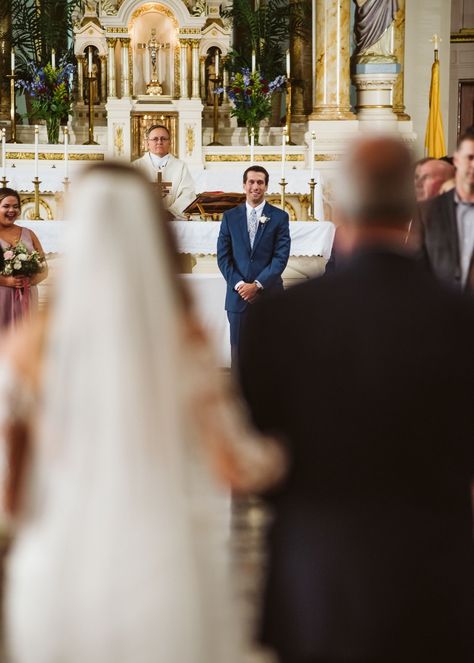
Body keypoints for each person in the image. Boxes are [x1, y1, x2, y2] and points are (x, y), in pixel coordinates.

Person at [2, 163, 285, 663]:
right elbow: (240, 465)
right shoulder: (184, 343)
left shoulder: (33, 347)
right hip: (163, 563)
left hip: (58, 566)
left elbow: (10, 488)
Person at [239, 136, 474, 663]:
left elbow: (262, 447)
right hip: (435, 566)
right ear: (413, 208)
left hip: (317, 570)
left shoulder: (281, 320)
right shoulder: (459, 319)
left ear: (339, 209)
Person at [217, 165, 290, 364]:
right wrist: (241, 286)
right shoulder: (230, 217)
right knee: (239, 355)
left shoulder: (280, 217)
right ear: (244, 185)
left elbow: (280, 258)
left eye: (260, 182)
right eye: (251, 182)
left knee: (270, 353)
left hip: (269, 295)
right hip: (237, 298)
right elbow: (223, 257)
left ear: (266, 186)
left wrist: (257, 285)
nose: (255, 186)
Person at [413, 127, 474, 291]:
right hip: (439, 311)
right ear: (457, 160)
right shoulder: (428, 212)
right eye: (470, 157)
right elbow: (416, 272)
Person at [0, 188, 47, 331]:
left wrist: (29, 281)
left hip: (27, 297)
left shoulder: (29, 234)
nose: (11, 210)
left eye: (15, 206)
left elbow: (44, 268)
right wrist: (7, 281)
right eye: (6, 206)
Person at [132, 124, 196, 218]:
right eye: (155, 139)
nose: (159, 142)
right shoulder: (135, 167)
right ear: (147, 143)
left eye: (163, 139)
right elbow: (130, 195)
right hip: (143, 219)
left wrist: (172, 212)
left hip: (174, 221)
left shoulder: (180, 166)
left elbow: (188, 193)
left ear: (170, 142)